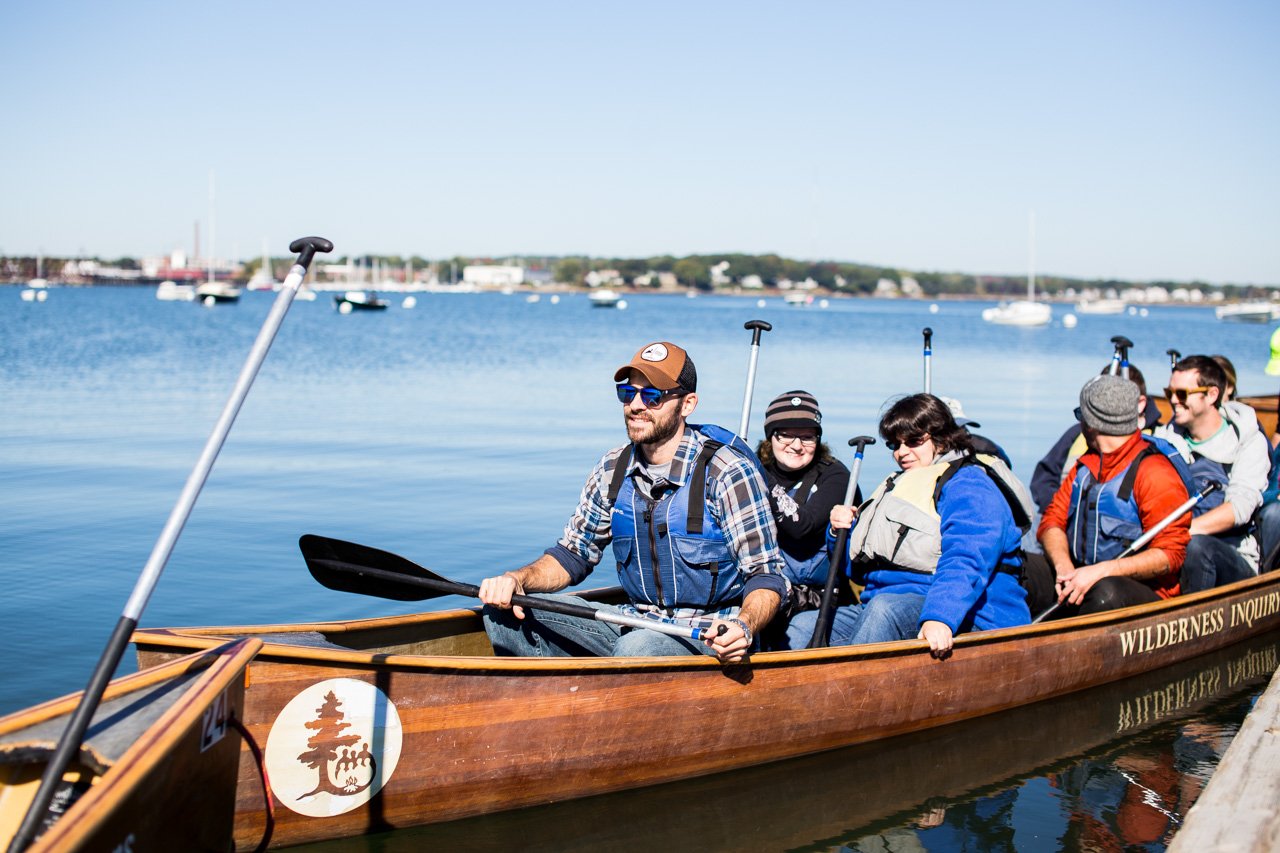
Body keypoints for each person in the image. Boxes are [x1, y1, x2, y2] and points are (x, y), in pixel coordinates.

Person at [479, 341, 787, 664]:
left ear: (687, 404)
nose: (636, 405)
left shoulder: (727, 473)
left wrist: (744, 625)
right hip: (635, 622)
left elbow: (766, 577)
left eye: (652, 396)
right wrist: (517, 579)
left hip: (707, 636)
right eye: (628, 394)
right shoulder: (612, 469)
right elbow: (572, 555)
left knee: (637, 649)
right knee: (503, 614)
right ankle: (550, 704)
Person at [785, 394, 1034, 658]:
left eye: (914, 441)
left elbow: (967, 558)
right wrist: (838, 533)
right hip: (882, 605)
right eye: (894, 444)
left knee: (884, 611)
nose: (902, 452)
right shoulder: (898, 484)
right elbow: (857, 571)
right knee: (802, 626)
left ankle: (855, 695)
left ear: (941, 437)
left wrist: (940, 616)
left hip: (969, 612)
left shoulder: (969, 484)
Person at [1026, 375, 1191, 618]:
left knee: (1106, 592)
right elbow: (1051, 521)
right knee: (1017, 567)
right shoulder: (1085, 466)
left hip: (1140, 592)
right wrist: (1063, 567)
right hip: (1078, 575)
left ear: (1091, 423)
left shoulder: (1155, 473)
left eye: (1079, 415)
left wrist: (1102, 571)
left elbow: (1170, 556)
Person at [1154, 355, 1269, 592]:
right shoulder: (1164, 440)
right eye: (1169, 393)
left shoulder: (1248, 440)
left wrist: (1180, 533)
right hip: (1170, 547)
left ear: (1212, 395)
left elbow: (1239, 509)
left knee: (1196, 547)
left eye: (1182, 394)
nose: (1174, 401)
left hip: (1232, 554)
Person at [754, 391, 852, 635]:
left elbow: (802, 526)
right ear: (770, 437)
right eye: (786, 435)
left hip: (815, 599)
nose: (797, 446)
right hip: (761, 590)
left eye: (807, 437)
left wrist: (757, 477)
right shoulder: (756, 469)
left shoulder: (835, 476)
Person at [1030, 364, 1162, 514]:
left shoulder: (1158, 447)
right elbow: (1043, 479)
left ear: (1140, 404)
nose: (1105, 407)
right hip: (1068, 515)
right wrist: (1061, 515)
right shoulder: (1079, 437)